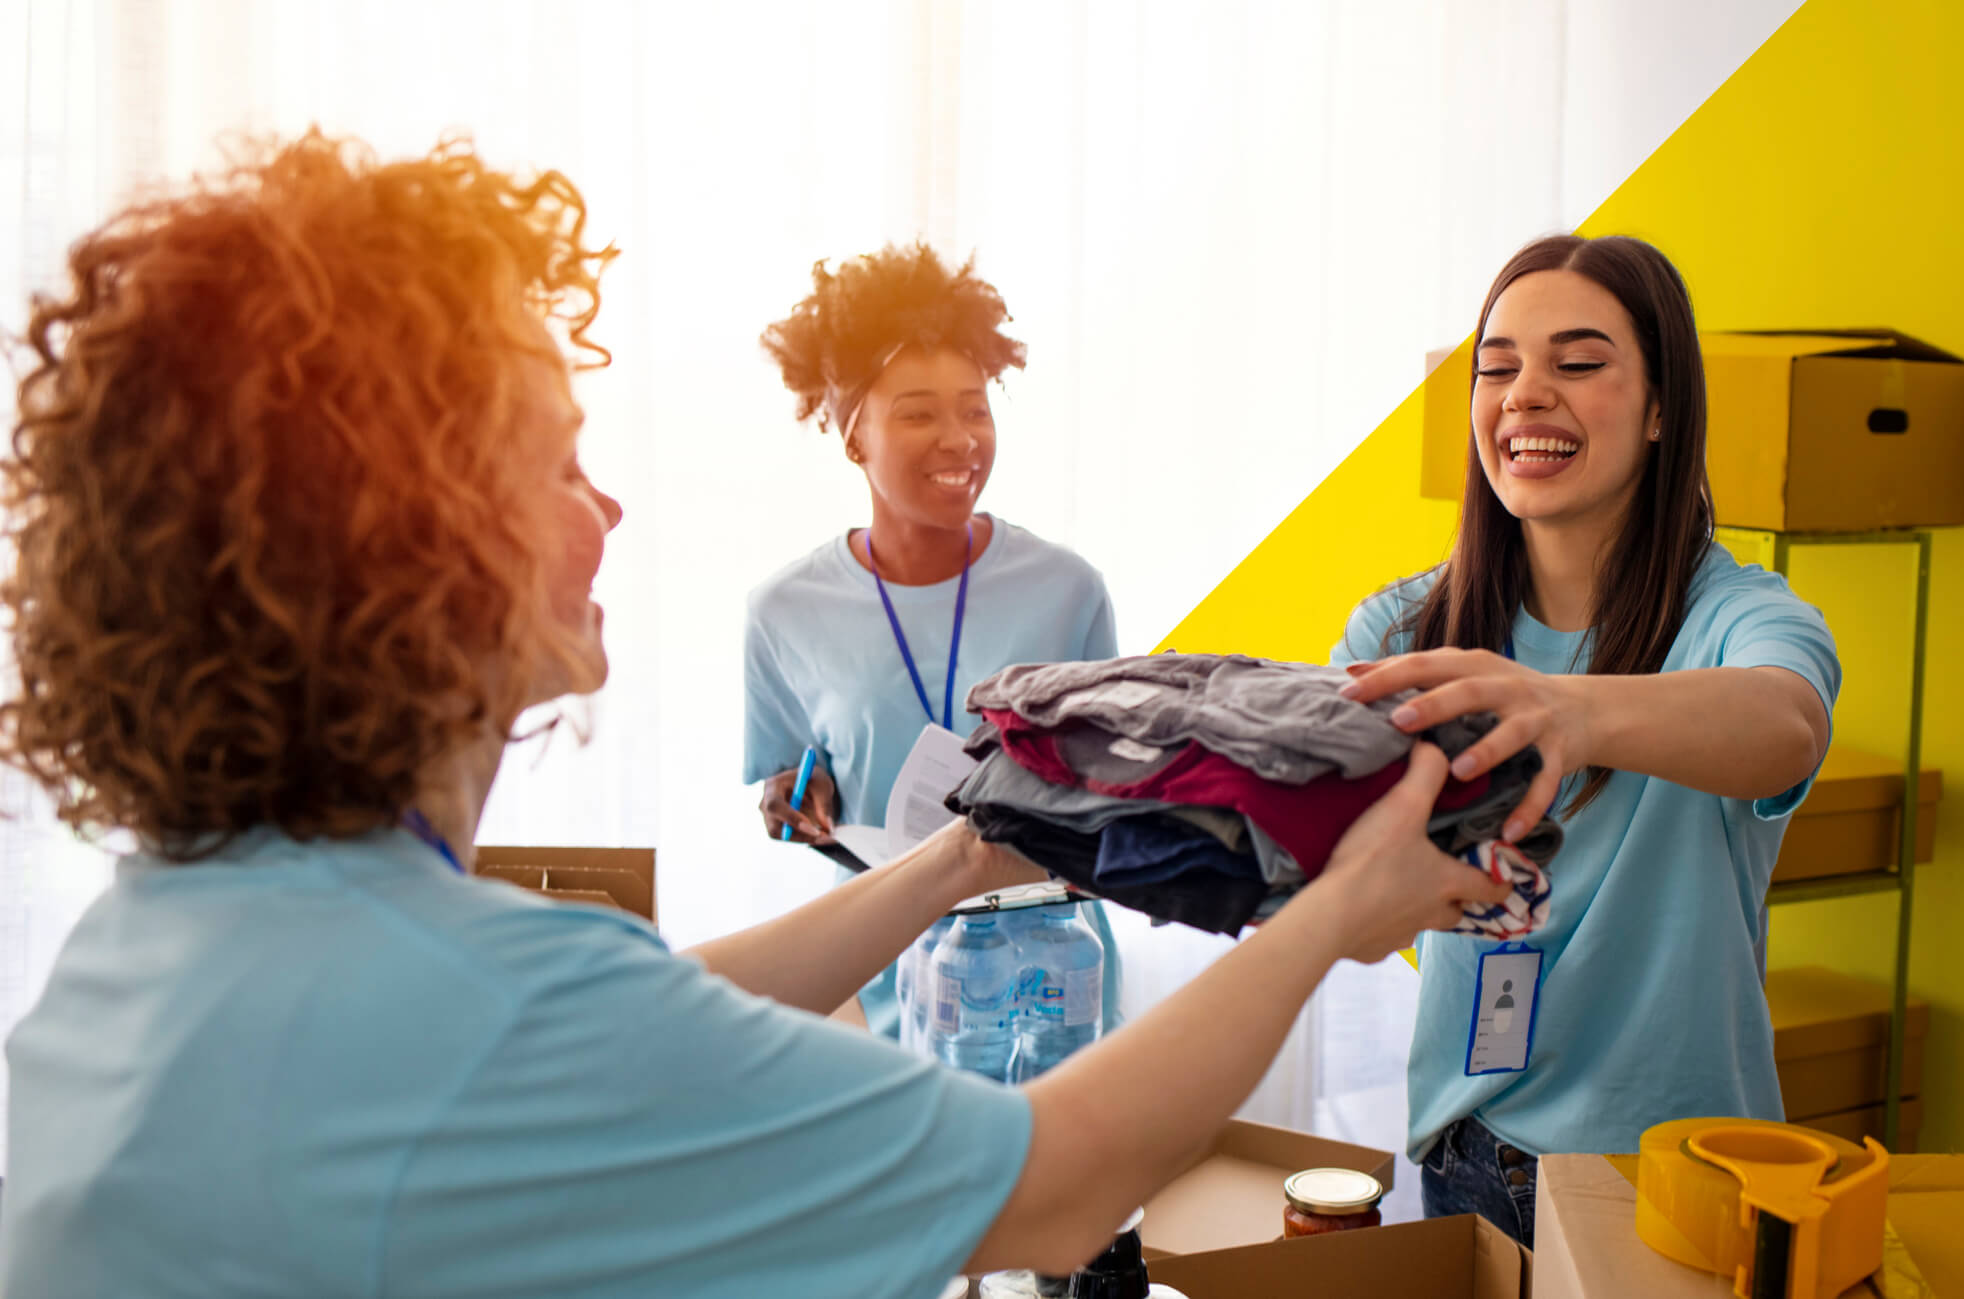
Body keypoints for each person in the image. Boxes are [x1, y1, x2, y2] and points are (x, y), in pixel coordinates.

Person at [0, 132, 1509, 1298]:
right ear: (402, 532)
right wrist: (1336, 911)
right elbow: (1059, 1179)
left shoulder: (178, 931)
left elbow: (646, 1006)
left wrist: (960, 854)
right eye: (554, 460)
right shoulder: (480, 994)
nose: (608, 502)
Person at [1331, 234, 1841, 1245]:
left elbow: (1785, 724)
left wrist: (1568, 711)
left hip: (1670, 1172)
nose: (1524, 395)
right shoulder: (1401, 635)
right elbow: (1357, 914)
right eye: (1497, 367)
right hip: (1465, 1147)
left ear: (1661, 410)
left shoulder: (1738, 617)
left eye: (1576, 363)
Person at [749, 244, 1121, 1039]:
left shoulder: (1069, 589)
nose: (958, 439)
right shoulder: (782, 610)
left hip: (1049, 983)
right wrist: (789, 804)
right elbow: (785, 788)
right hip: (879, 975)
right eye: (918, 412)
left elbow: (1110, 792)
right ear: (854, 436)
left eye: (975, 408)